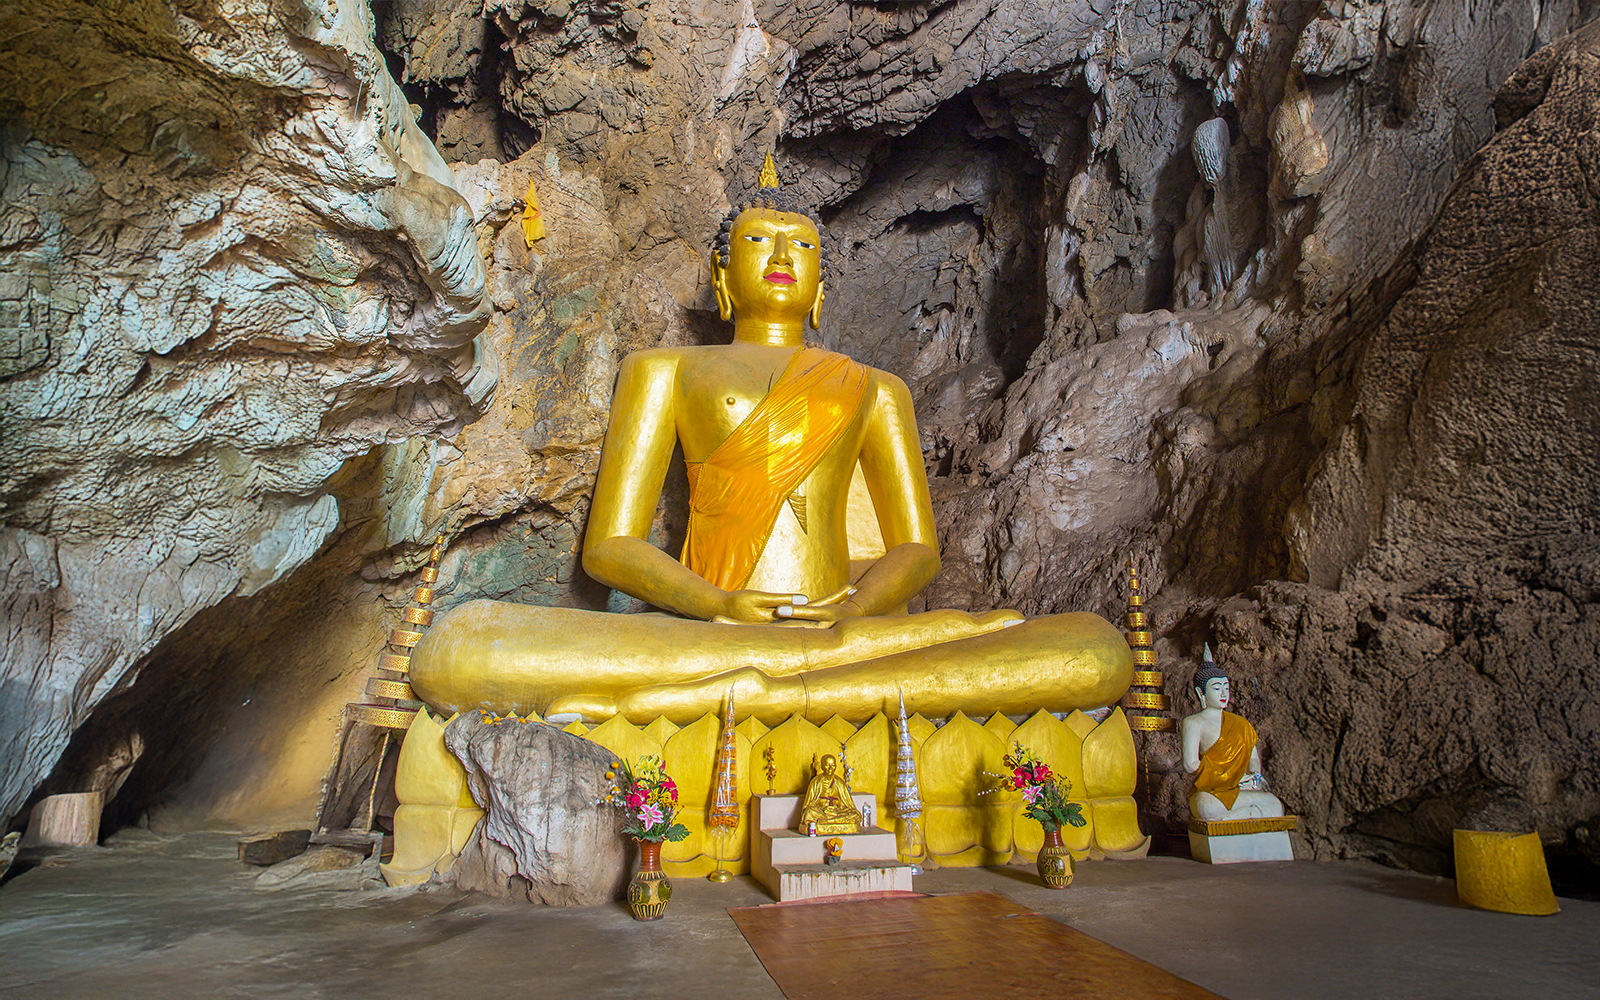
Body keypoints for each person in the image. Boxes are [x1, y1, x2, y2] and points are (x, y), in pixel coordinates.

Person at [409, 157, 1131, 725]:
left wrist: (854, 611)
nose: (782, 253)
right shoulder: (664, 370)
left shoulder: (875, 388)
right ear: (722, 274)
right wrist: (718, 606)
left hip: (838, 632)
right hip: (711, 631)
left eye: (802, 246)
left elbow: (917, 550)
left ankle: (755, 690)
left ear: (821, 286)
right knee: (461, 651)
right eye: (759, 241)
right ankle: (803, 687)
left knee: (1095, 651)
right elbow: (609, 547)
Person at [1180, 647, 1284, 821]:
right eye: (1216, 688)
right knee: (1205, 805)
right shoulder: (1193, 723)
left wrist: (1252, 776)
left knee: (1274, 804)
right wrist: (1227, 777)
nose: (1223, 693)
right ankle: (1249, 815)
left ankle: (1237, 817)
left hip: (1240, 788)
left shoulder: (1241, 723)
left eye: (1226, 688)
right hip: (1213, 790)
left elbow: (1253, 758)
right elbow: (1190, 765)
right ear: (1200, 692)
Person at [798, 754, 862, 836]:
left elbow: (848, 804)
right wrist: (823, 809)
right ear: (822, 766)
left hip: (837, 812)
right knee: (808, 813)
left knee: (855, 815)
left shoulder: (840, 783)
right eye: (827, 765)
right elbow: (808, 805)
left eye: (833, 765)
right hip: (822, 812)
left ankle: (826, 822)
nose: (830, 768)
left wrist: (835, 809)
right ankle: (830, 821)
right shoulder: (815, 782)